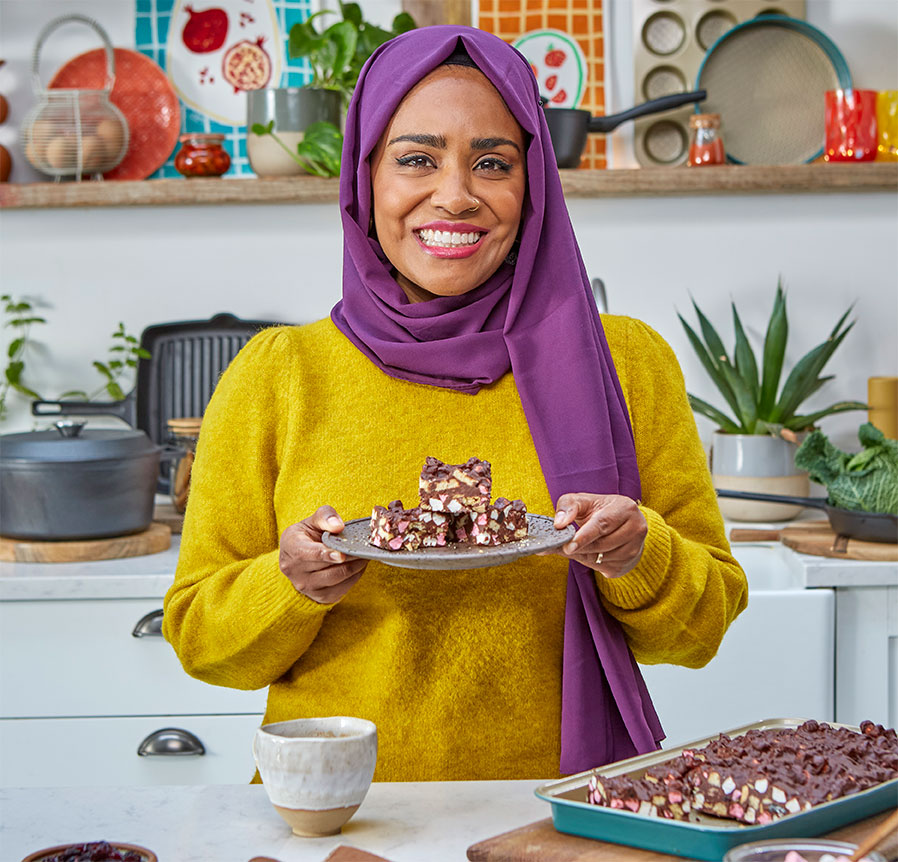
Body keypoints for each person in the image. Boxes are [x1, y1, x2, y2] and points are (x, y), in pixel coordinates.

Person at [163, 25, 748, 782]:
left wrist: (639, 551)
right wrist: (291, 583)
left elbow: (699, 634)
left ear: (533, 186)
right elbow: (202, 645)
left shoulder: (625, 363)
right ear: (363, 177)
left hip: (566, 806)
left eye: (493, 163)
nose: (456, 195)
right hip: (344, 814)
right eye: (416, 159)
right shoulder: (279, 374)